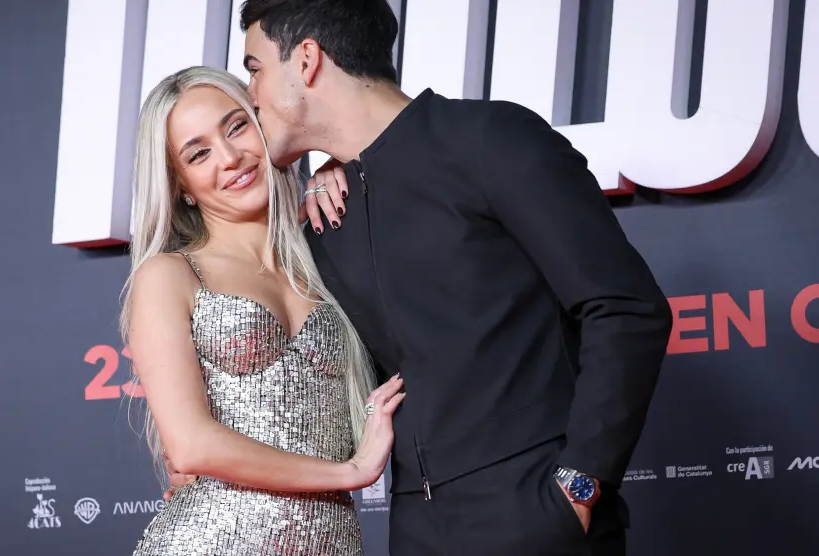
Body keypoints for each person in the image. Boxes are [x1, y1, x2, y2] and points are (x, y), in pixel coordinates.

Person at [174, 1, 675, 554]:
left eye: (255, 69)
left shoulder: (490, 140)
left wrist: (581, 484)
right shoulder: (325, 216)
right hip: (416, 528)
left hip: (536, 511)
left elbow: (625, 307)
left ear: (308, 60)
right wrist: (217, 463)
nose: (251, 94)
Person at [119, 65, 406, 555]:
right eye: (199, 153)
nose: (230, 157)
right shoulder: (169, 275)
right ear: (181, 185)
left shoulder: (329, 256)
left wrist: (335, 171)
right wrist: (350, 472)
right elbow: (191, 445)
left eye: (236, 127)